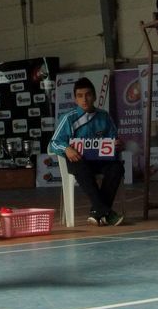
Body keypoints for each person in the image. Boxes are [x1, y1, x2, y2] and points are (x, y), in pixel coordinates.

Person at [48, 77, 124, 226]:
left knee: (117, 168)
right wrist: (67, 149)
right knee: (82, 168)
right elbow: (54, 143)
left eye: (88, 95)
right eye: (80, 96)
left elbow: (114, 139)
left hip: (100, 160)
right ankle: (106, 212)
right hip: (78, 160)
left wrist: (118, 144)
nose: (84, 99)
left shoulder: (104, 116)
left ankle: (97, 212)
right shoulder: (68, 118)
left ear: (94, 96)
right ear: (75, 99)